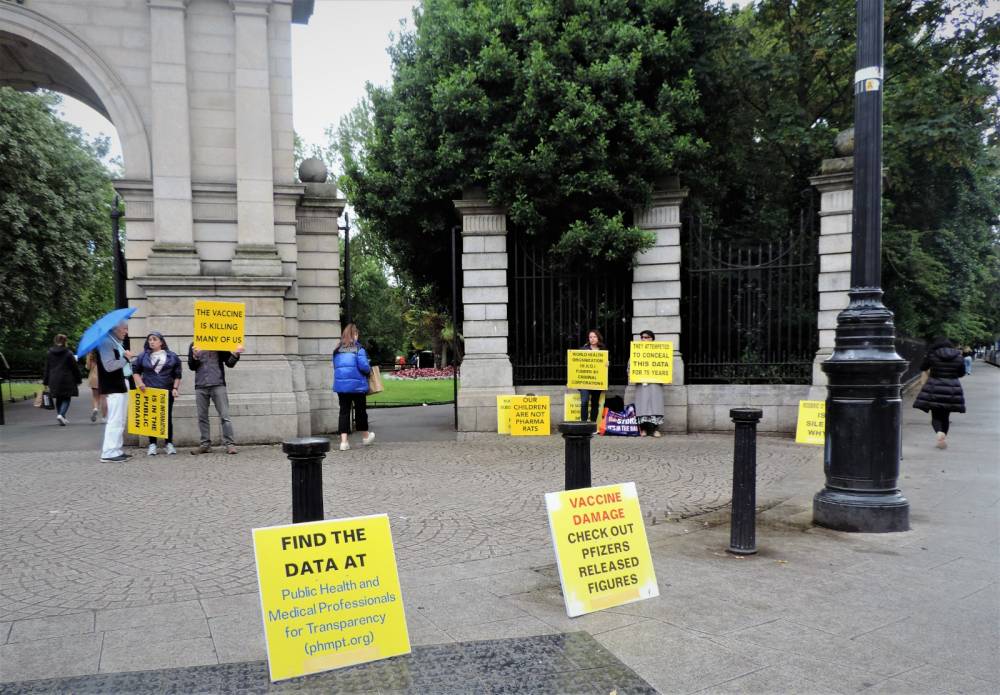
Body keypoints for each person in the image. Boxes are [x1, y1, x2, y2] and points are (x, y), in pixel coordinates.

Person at [188, 343, 243, 455]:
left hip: (218, 384)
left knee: (225, 416)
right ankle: (205, 445)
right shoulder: (194, 345)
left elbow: (229, 363)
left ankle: (230, 444)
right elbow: (191, 366)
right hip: (201, 385)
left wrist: (235, 354)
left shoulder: (219, 343)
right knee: (202, 417)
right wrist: (195, 356)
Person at [132, 332, 182, 456]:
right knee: (152, 418)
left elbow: (177, 373)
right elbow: (135, 370)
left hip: (166, 390)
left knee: (167, 417)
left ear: (161, 342)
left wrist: (175, 388)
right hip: (149, 391)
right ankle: (152, 444)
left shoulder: (172, 356)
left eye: (154, 339)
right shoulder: (143, 356)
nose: (152, 342)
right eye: (150, 340)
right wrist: (140, 384)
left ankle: (168, 443)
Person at [913, 337, 966, 449]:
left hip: (934, 387)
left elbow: (923, 367)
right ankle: (943, 436)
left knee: (936, 416)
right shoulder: (958, 356)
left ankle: (939, 433)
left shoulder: (932, 354)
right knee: (945, 416)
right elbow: (962, 373)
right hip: (952, 389)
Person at [333, 322, 374, 451]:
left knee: (344, 412)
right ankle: (366, 437)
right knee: (361, 411)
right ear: (354, 334)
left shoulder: (337, 350)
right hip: (357, 386)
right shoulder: (359, 349)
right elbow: (364, 367)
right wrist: (369, 370)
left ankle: (344, 442)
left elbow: (337, 367)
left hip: (342, 386)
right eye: (357, 334)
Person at [97, 321, 134, 462]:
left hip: (121, 383)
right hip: (114, 385)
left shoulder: (114, 341)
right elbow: (109, 366)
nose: (126, 332)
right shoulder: (106, 342)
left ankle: (116, 449)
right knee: (115, 419)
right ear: (115, 329)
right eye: (124, 328)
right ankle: (109, 452)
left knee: (120, 419)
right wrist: (126, 358)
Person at [42, 334, 82, 426]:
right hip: (67, 378)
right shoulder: (68, 353)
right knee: (66, 398)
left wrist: (45, 381)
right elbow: (74, 368)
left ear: (55, 341)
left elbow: (47, 368)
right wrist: (78, 379)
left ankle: (61, 416)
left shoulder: (49, 353)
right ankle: (61, 415)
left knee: (59, 397)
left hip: (54, 378)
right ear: (65, 342)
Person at [632, 330, 664, 437]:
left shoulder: (660, 351)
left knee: (655, 405)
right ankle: (643, 429)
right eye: (642, 337)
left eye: (647, 337)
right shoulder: (635, 351)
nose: (644, 339)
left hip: (655, 383)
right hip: (642, 384)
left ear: (652, 339)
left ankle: (655, 429)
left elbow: (664, 365)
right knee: (643, 406)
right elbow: (630, 366)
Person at [578, 329, 606, 423]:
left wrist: (607, 364)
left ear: (598, 338)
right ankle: (584, 424)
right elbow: (576, 363)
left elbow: (606, 367)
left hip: (597, 381)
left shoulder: (603, 350)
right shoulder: (583, 349)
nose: (592, 339)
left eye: (594, 337)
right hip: (585, 381)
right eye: (590, 337)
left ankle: (592, 424)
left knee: (595, 403)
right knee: (584, 402)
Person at [86, 351, 107, 423]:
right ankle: (104, 418)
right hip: (104, 378)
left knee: (95, 397)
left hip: (94, 378)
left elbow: (88, 367)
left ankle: (95, 408)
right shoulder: (105, 352)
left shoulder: (90, 354)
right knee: (103, 398)